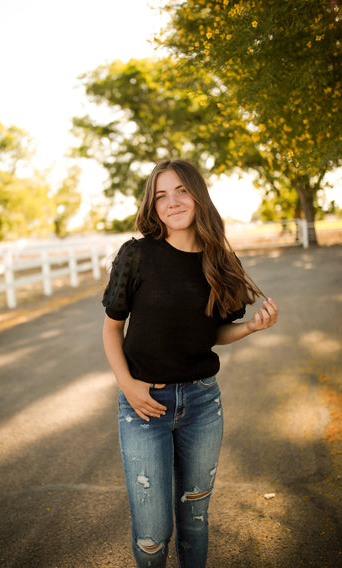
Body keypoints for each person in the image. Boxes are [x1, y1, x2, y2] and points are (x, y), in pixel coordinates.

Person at [102, 159, 278, 568]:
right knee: (152, 534)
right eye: (161, 195)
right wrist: (128, 386)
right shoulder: (137, 255)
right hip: (145, 405)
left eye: (181, 190)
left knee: (195, 523)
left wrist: (250, 327)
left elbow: (213, 334)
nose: (172, 201)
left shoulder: (219, 261)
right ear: (152, 205)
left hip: (202, 405)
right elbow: (112, 329)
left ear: (198, 195)